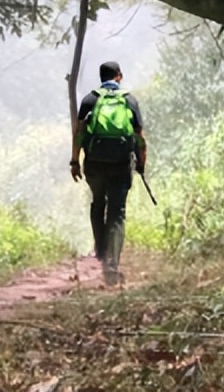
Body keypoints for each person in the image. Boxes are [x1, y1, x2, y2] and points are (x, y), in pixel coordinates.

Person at [69, 60, 147, 286]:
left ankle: (100, 250)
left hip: (94, 163)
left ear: (101, 77)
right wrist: (141, 163)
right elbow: (139, 137)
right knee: (117, 213)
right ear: (119, 76)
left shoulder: (90, 100)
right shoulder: (129, 100)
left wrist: (75, 160)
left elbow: (79, 133)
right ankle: (112, 264)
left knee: (97, 202)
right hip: (121, 164)